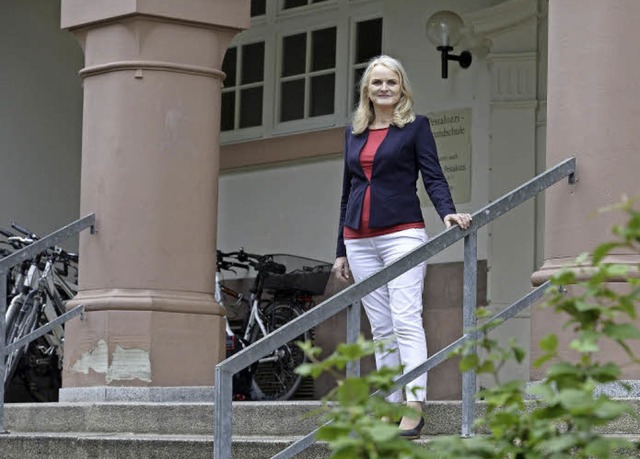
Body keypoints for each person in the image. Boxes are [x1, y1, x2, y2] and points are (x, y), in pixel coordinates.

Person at [333, 55, 472, 439]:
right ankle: (388, 405)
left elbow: (433, 176)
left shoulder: (415, 128)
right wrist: (340, 250)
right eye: (376, 82)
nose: (384, 89)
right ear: (367, 89)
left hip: (401, 234)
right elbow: (347, 194)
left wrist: (447, 213)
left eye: (391, 82)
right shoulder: (354, 132)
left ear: (401, 88)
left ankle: (414, 405)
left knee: (405, 318)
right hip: (358, 239)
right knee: (380, 329)